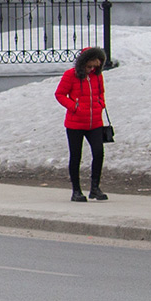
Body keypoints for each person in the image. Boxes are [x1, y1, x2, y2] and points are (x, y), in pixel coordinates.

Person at [55, 46, 109, 202]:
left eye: (95, 66)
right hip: (75, 123)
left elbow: (100, 93)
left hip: (95, 122)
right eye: (89, 66)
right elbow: (59, 94)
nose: (92, 69)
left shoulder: (97, 76)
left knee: (99, 153)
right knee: (76, 156)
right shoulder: (70, 75)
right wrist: (74, 106)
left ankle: (95, 188)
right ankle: (76, 191)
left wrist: (100, 104)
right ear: (83, 63)